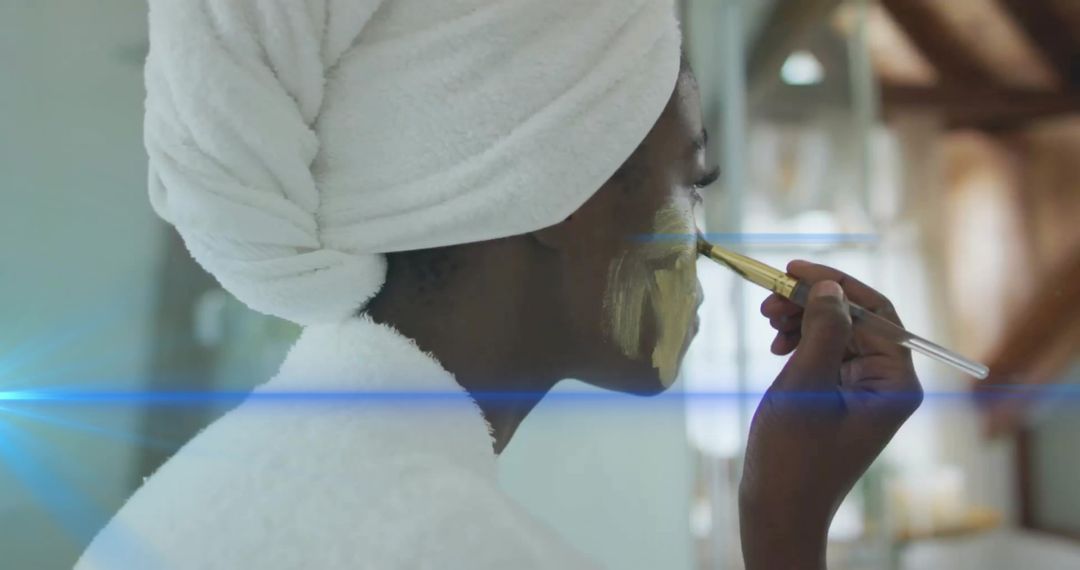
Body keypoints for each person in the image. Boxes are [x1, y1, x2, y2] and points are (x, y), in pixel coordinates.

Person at [77, 0, 921, 568]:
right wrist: (788, 538)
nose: (702, 241)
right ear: (560, 188)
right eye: (689, 183)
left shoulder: (222, 483)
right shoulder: (446, 543)